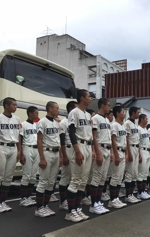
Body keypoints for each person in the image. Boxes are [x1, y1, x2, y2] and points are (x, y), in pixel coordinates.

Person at [65, 89, 94, 222]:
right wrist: (77, 151)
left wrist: (92, 149)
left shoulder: (88, 115)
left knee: (83, 181)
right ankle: (70, 212)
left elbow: (91, 134)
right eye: (88, 96)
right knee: (76, 179)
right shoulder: (74, 112)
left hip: (88, 145)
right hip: (79, 146)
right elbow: (71, 132)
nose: (90, 99)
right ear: (82, 98)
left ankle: (77, 209)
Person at [0, 97, 21, 213]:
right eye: (13, 105)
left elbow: (18, 136)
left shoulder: (17, 119)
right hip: (1, 147)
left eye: (16, 105)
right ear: (6, 106)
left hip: (13, 147)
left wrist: (19, 150)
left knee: (8, 177)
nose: (15, 107)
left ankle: (2, 202)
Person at [35, 101, 65, 218]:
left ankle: (45, 206)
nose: (58, 110)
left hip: (56, 152)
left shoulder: (57, 123)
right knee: (43, 181)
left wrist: (61, 156)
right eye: (56, 108)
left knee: (51, 182)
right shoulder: (42, 122)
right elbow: (39, 140)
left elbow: (59, 140)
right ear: (50, 109)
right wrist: (42, 158)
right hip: (47, 152)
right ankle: (39, 208)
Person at [90, 98, 112, 214]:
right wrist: (97, 153)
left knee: (103, 178)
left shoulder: (107, 120)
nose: (109, 107)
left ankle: (98, 202)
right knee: (96, 177)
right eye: (108, 105)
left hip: (107, 149)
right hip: (100, 148)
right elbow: (94, 137)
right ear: (102, 105)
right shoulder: (95, 118)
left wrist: (112, 152)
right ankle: (93, 204)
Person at [58, 101, 78, 212]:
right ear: (71, 109)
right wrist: (64, 156)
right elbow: (62, 141)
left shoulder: (75, 121)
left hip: (75, 149)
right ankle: (63, 201)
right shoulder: (63, 122)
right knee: (65, 177)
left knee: (73, 177)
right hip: (68, 148)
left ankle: (70, 200)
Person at [19, 106, 39, 207]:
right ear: (30, 113)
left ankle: (28, 197)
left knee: (33, 175)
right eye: (36, 113)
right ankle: (23, 199)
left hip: (36, 149)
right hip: (27, 148)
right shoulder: (23, 124)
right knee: (26, 174)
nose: (37, 114)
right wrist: (21, 153)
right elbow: (20, 139)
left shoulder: (36, 125)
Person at [108, 106, 128, 208]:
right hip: (118, 151)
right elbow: (113, 140)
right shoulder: (114, 125)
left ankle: (116, 198)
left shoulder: (123, 125)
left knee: (120, 177)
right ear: (117, 113)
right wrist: (116, 155)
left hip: (123, 151)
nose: (124, 114)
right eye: (123, 112)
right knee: (115, 176)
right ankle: (112, 200)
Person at [124, 107, 141, 203]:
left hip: (136, 148)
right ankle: (128, 195)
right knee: (130, 173)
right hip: (130, 147)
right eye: (137, 112)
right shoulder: (127, 123)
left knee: (135, 173)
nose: (138, 114)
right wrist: (128, 152)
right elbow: (126, 138)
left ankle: (131, 194)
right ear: (133, 113)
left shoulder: (134, 124)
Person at [137, 114, 150, 200]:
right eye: (146, 119)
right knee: (141, 173)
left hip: (147, 151)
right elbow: (137, 143)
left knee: (145, 173)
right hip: (142, 151)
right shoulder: (138, 129)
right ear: (142, 119)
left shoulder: (145, 130)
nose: (147, 120)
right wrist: (139, 154)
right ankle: (140, 192)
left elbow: (149, 144)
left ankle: (143, 191)